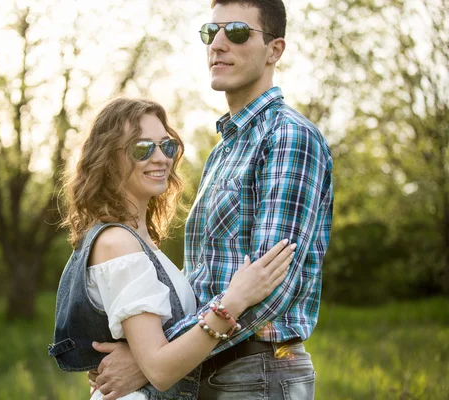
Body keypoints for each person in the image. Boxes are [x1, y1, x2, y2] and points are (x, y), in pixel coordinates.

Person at [88, 0, 334, 399]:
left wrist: (154, 356)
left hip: (258, 372)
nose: (218, 44)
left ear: (275, 50)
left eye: (236, 32)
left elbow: (270, 288)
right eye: (210, 32)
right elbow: (211, 284)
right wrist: (161, 355)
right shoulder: (225, 148)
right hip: (208, 369)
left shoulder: (288, 137)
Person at [49, 97, 296, 399]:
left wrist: (138, 356)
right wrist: (234, 300)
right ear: (108, 159)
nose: (160, 158)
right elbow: (160, 370)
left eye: (166, 147)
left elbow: (151, 349)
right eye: (142, 149)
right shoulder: (118, 243)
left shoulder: (136, 239)